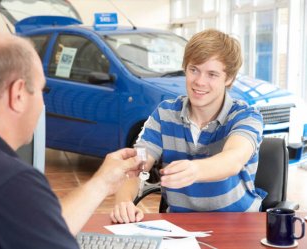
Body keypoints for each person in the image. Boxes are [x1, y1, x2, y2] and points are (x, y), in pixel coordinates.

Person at [0, 32, 141, 248]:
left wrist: (102, 183)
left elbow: (34, 227)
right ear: (18, 94)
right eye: (41, 90)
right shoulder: (7, 183)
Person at [110, 29, 265, 224]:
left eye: (212, 74)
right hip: (180, 228)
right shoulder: (164, 114)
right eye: (194, 70)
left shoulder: (246, 116)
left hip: (238, 225)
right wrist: (124, 201)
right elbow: (137, 164)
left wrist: (196, 170)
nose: (200, 81)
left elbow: (233, 159)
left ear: (229, 78)